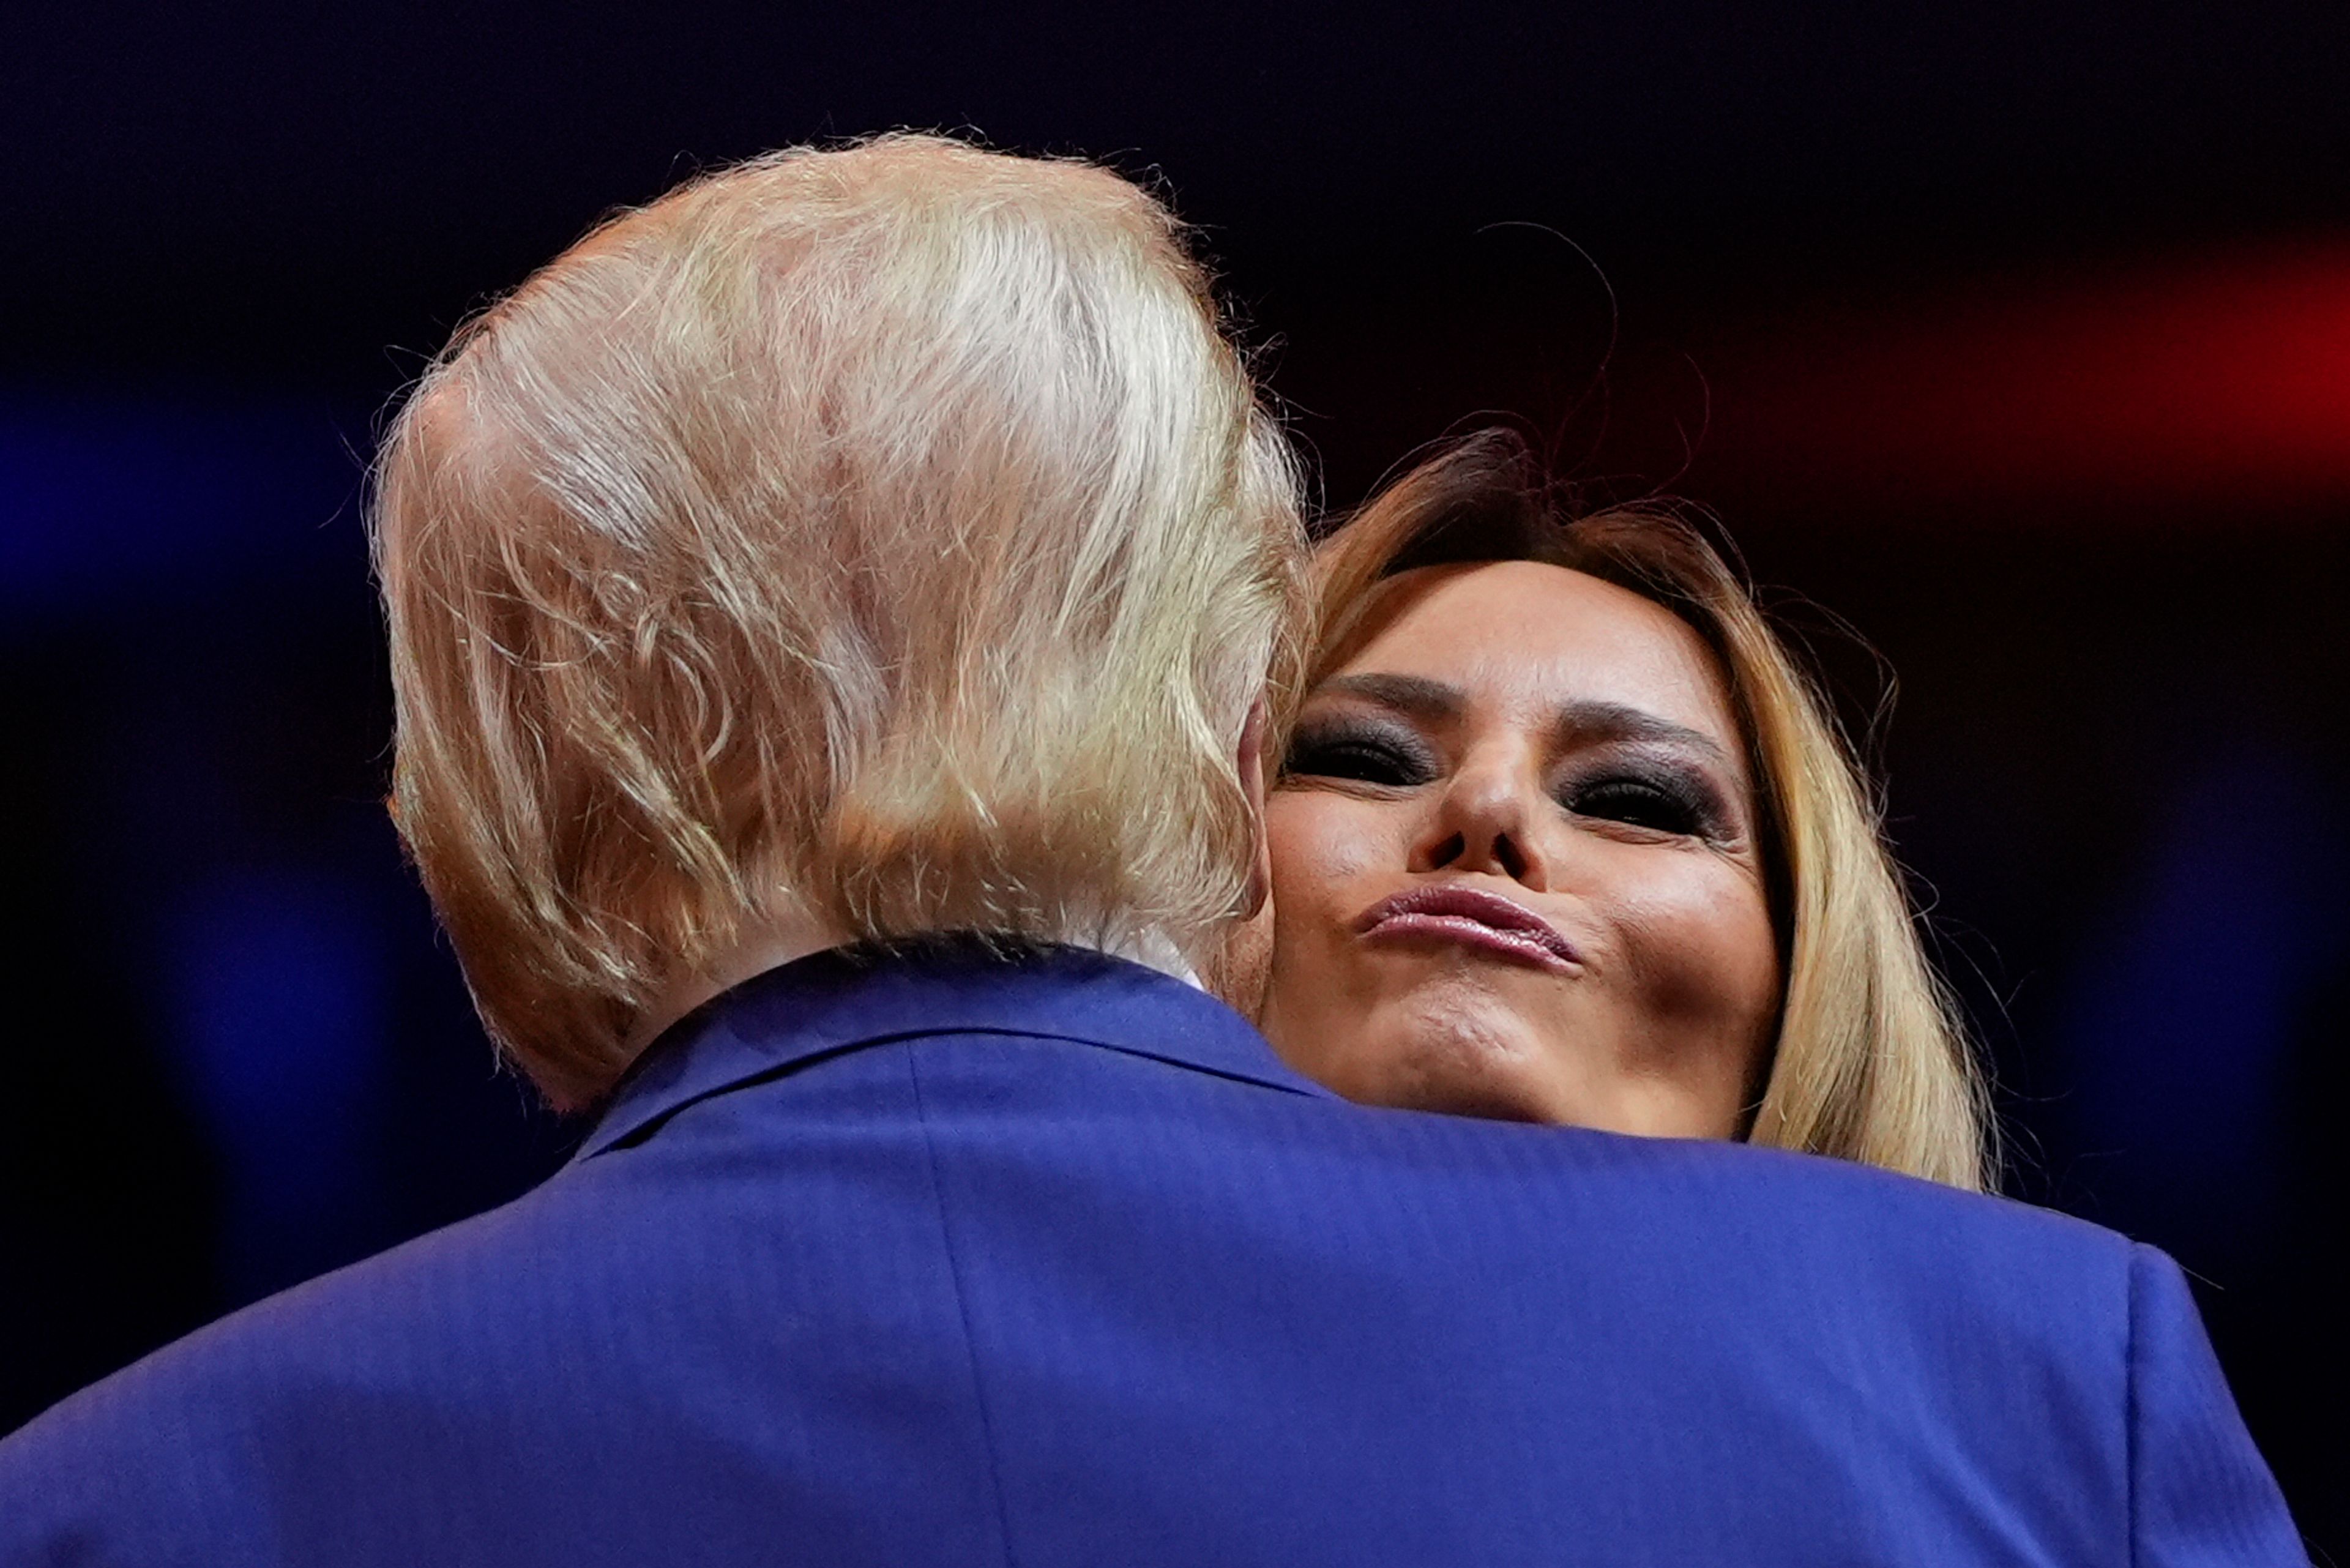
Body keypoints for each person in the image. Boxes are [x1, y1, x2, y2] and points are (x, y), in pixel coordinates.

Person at [0, 136, 2303, 1566]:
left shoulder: (125, 1494)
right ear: (1211, 780)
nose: (1491, 821)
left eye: (1641, 791)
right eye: (1355, 739)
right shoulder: (2029, 1392)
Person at [1228, 429, 1987, 1187]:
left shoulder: (2085, 1303)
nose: (1487, 806)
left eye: (1637, 801)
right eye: (1361, 760)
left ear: (1800, 975)